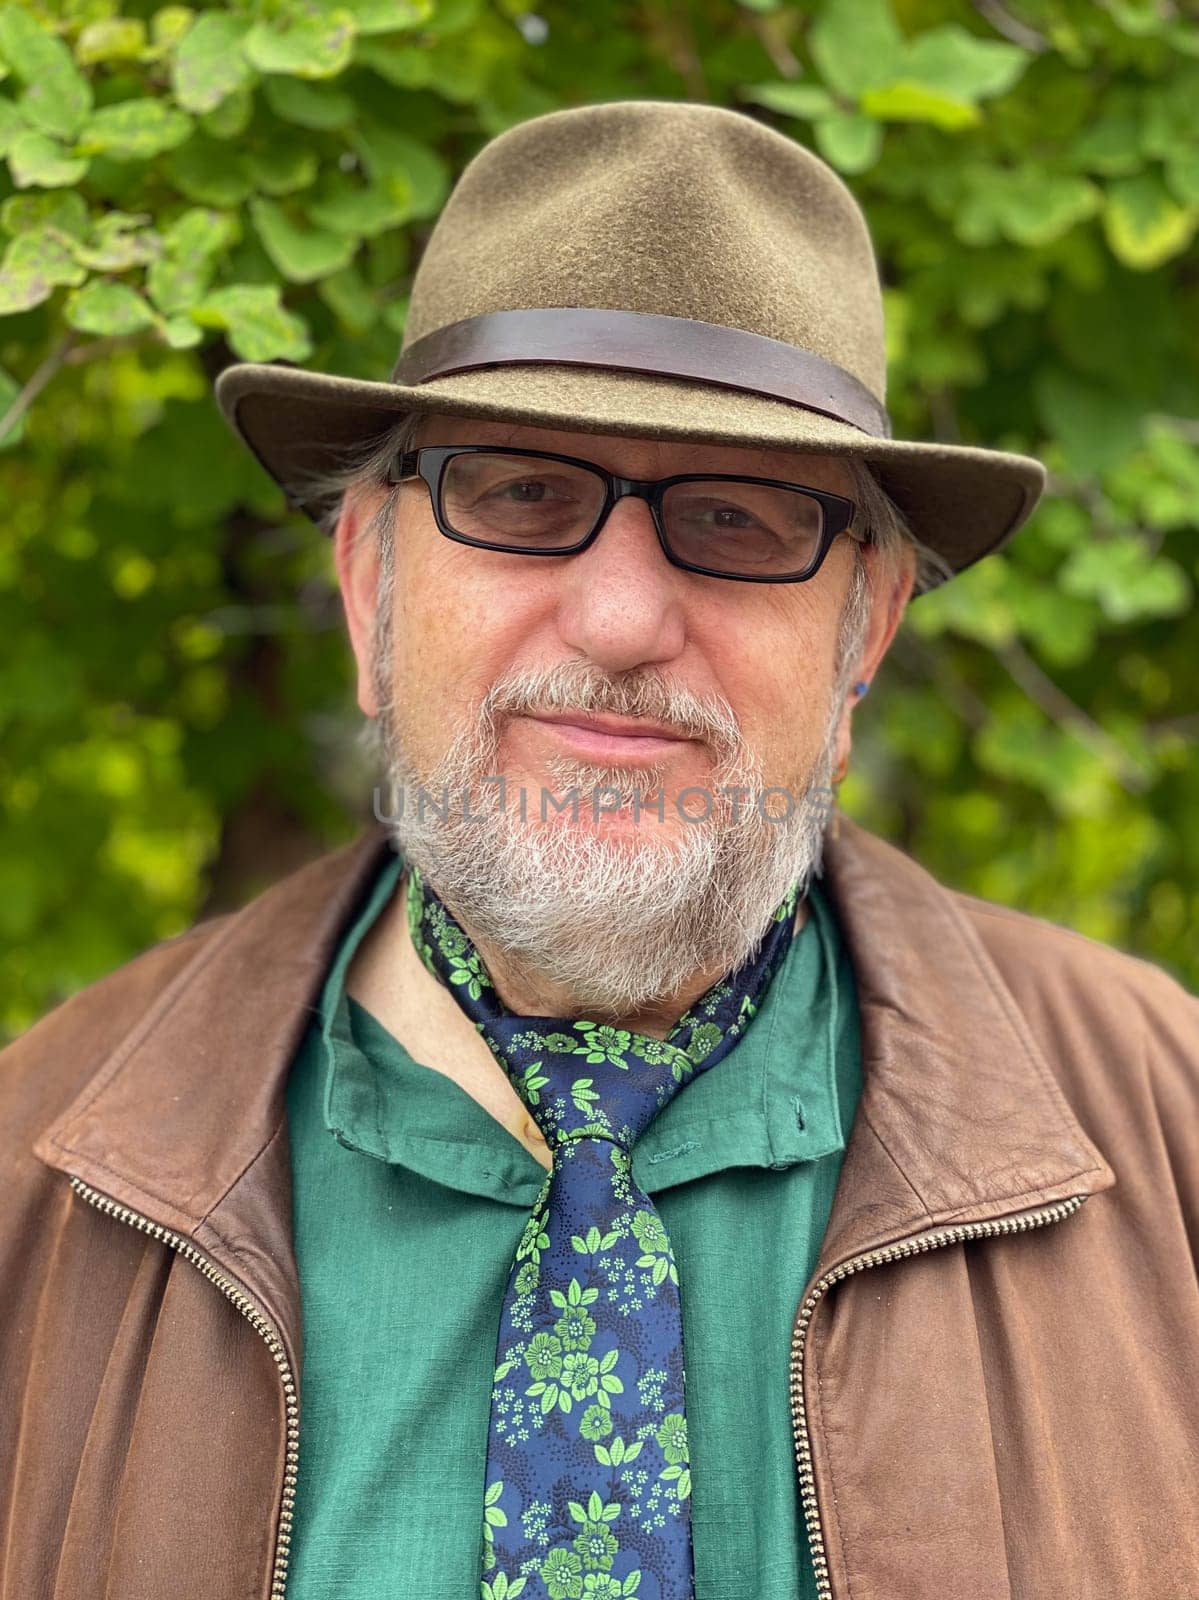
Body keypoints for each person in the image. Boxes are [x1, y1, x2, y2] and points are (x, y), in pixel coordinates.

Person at [1, 100, 1196, 1600]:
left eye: (742, 520)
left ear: (864, 633)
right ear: (372, 586)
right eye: (519, 495)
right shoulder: (38, 1178)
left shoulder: (1169, 1138)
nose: (623, 622)